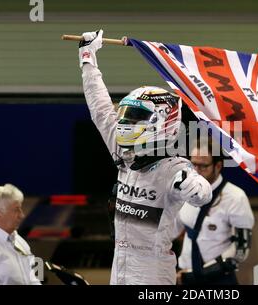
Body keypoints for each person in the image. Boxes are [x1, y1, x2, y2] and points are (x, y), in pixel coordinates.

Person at [78, 30, 212, 285]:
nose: (126, 122)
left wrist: (196, 188)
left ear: (163, 121)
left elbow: (203, 195)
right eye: (127, 115)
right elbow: (99, 107)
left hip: (152, 271)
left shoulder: (174, 169)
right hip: (120, 264)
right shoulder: (124, 151)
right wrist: (87, 57)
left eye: (135, 117)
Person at [175, 138, 255, 285]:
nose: (196, 172)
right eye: (193, 165)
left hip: (217, 278)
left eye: (203, 166)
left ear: (218, 166)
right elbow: (171, 231)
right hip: (183, 275)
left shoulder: (236, 197)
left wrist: (200, 274)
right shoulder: (183, 191)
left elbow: (241, 250)